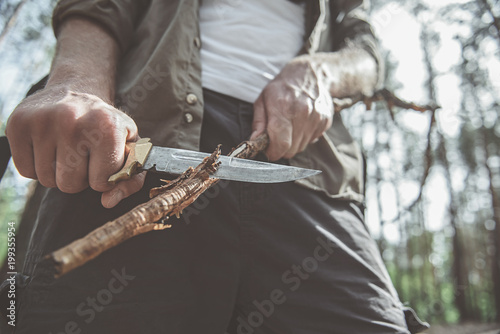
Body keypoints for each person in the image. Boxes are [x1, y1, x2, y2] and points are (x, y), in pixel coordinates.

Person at [2, 0, 427, 333]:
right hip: (137, 139)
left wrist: (323, 72)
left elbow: (366, 53)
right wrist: (74, 83)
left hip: (311, 161)